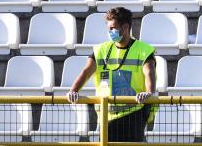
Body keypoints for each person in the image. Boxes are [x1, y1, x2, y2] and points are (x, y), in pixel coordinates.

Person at [67, 7, 157, 142]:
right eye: (109, 28)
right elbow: (86, 71)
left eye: (112, 28)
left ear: (125, 27)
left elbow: (149, 72)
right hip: (107, 114)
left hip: (134, 112)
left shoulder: (143, 50)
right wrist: (73, 91)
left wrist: (149, 93)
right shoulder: (101, 50)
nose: (110, 32)